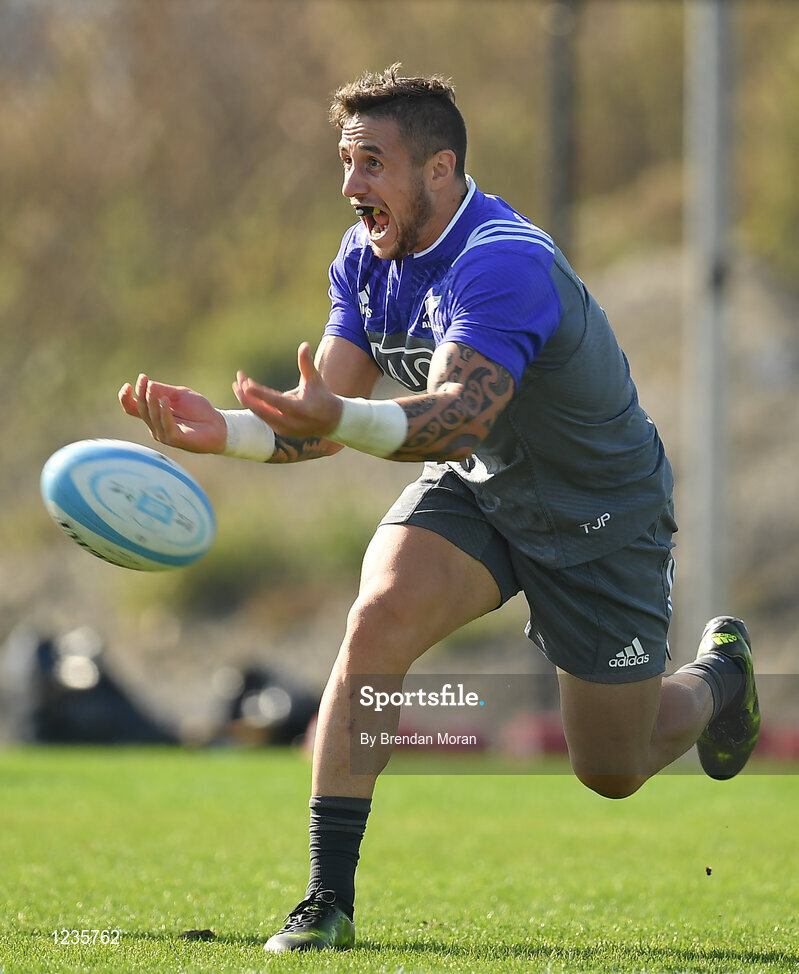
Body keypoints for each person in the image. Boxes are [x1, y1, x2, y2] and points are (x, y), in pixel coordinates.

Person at [119, 65, 760, 953]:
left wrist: (336, 416)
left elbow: (457, 412)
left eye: (371, 164)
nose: (351, 187)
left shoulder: (502, 261)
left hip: (597, 510)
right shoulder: (363, 259)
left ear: (439, 170)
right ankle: (325, 901)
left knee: (611, 767)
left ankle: (719, 677)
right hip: (484, 484)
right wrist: (219, 431)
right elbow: (323, 424)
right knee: (375, 618)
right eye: (346, 163)